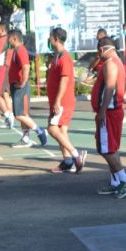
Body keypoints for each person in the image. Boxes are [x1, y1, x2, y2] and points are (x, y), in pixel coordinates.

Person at [91, 36, 126, 198]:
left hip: (109, 112)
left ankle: (124, 179)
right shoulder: (117, 62)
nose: (98, 55)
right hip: (113, 111)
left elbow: (109, 88)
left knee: (107, 149)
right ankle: (116, 182)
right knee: (110, 147)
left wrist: (102, 111)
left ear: (102, 49)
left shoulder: (110, 63)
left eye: (98, 52)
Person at [46, 27, 86, 174]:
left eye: (50, 37)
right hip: (58, 100)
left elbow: (65, 80)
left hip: (63, 101)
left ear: (56, 38)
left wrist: (57, 101)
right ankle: (67, 161)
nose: (49, 40)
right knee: (61, 130)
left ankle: (76, 155)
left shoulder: (65, 58)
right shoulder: (57, 56)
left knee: (51, 128)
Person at [6, 30, 48, 148]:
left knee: (20, 115)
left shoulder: (21, 50)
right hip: (16, 86)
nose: (8, 41)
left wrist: (23, 82)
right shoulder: (16, 50)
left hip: (21, 87)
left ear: (14, 38)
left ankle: (40, 131)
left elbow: (26, 67)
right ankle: (25, 138)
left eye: (9, 38)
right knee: (22, 115)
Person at [0, 23, 14, 129]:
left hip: (2, 68)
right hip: (5, 67)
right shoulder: (6, 39)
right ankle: (10, 118)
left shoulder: (3, 39)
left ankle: (8, 115)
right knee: (5, 94)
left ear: (3, 30)